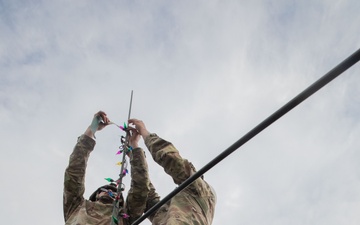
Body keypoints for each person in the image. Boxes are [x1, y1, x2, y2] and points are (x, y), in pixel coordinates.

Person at [63, 111, 151, 225]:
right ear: (96, 195)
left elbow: (141, 187)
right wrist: (92, 128)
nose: (110, 191)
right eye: (104, 190)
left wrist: (134, 144)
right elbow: (74, 171)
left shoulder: (126, 215)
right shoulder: (76, 207)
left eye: (115, 192)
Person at [128, 118, 217, 225]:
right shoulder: (172, 210)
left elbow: (172, 160)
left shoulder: (200, 191)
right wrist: (135, 149)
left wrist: (144, 131)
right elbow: (146, 194)